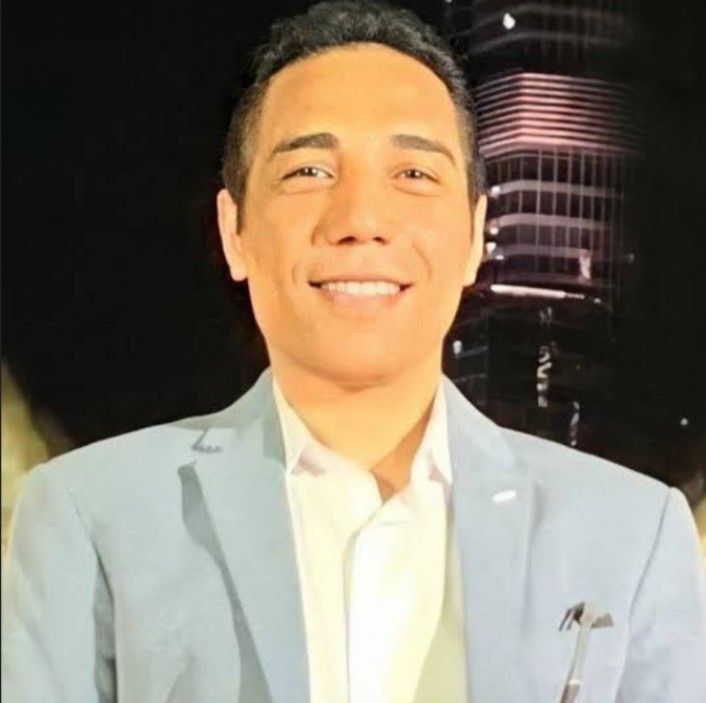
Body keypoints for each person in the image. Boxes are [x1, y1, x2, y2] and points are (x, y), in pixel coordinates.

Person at [2, 2, 705, 702]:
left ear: (474, 234)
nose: (361, 219)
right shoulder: (92, 514)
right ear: (234, 229)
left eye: (414, 174)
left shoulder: (632, 536)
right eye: (309, 171)